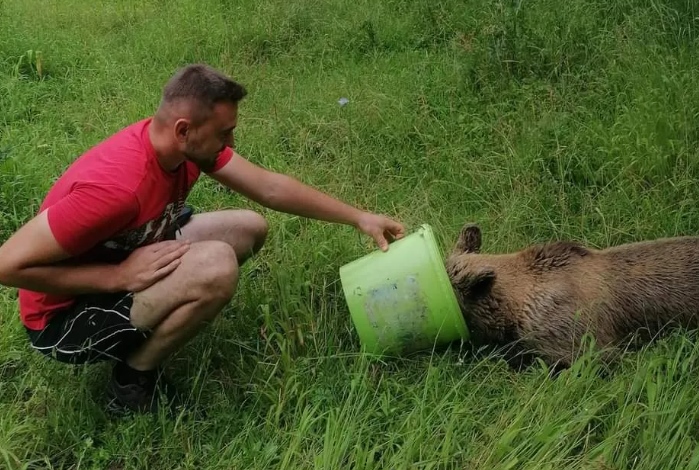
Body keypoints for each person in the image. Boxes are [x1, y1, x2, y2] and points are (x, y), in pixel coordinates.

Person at [0, 64, 406, 414]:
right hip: (64, 318)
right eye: (224, 133)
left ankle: (159, 316)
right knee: (217, 265)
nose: (230, 143)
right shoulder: (116, 189)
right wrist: (118, 278)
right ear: (183, 130)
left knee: (247, 228)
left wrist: (359, 218)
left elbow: (270, 189)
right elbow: (7, 265)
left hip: (125, 254)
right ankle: (131, 378)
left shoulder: (182, 151)